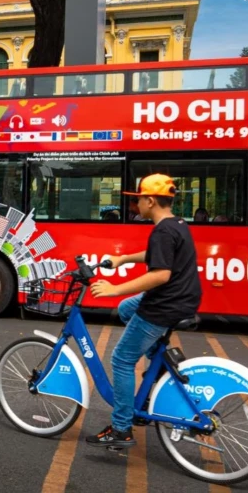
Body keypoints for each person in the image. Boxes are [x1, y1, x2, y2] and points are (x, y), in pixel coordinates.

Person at [85, 174, 203, 449]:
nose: (136, 203)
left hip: (164, 304)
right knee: (127, 309)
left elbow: (161, 274)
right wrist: (123, 258)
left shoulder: (163, 231)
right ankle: (160, 363)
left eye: (138, 198)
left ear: (150, 200)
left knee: (122, 360)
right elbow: (156, 254)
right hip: (183, 299)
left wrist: (115, 288)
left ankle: (121, 427)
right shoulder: (176, 224)